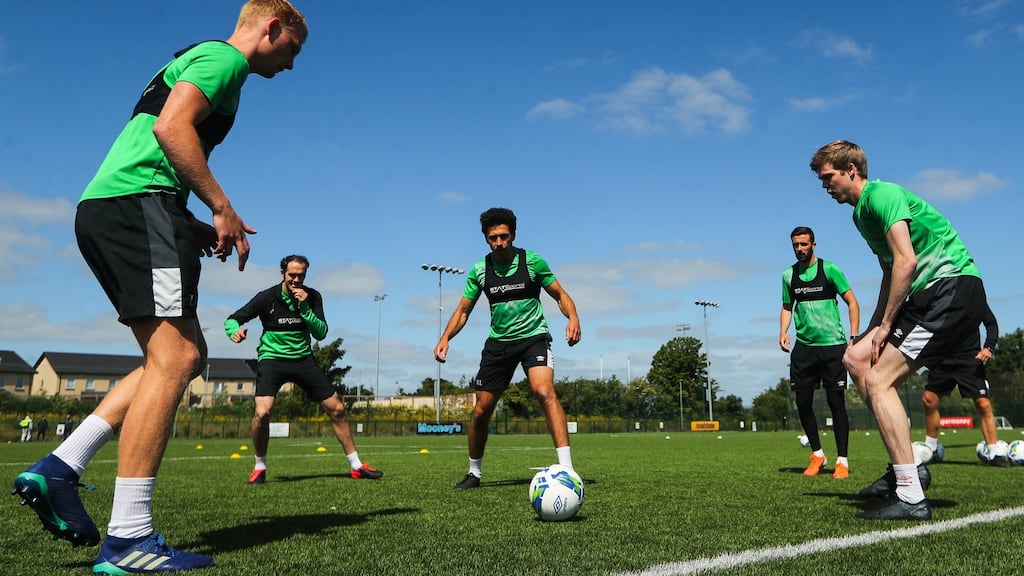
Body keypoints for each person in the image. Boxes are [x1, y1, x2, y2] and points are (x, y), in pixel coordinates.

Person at [12, 2, 307, 572]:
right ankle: (128, 540)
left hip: (126, 207)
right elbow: (170, 130)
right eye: (292, 49)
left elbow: (155, 142)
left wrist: (187, 222)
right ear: (272, 28)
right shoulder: (225, 61)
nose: (292, 65)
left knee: (180, 357)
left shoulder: (195, 57)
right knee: (177, 359)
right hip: (138, 206)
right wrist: (219, 207)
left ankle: (60, 467)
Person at [810, 140, 988, 521]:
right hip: (924, 296)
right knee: (855, 358)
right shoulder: (860, 215)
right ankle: (908, 468)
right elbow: (890, 270)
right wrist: (874, 329)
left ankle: (910, 495)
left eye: (828, 177)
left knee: (878, 381)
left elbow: (906, 262)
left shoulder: (883, 195)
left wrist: (887, 324)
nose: (824, 186)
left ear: (851, 170)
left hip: (951, 288)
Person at [433, 207, 582, 490]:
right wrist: (445, 338)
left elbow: (560, 295)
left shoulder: (533, 262)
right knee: (480, 412)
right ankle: (474, 473)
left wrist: (573, 317)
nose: (499, 242)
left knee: (543, 391)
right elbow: (463, 311)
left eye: (503, 236)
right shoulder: (480, 270)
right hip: (498, 344)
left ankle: (568, 469)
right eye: (493, 238)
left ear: (513, 235)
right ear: (486, 239)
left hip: (533, 337)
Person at [225, 254, 383, 484]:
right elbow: (232, 319)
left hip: (303, 359)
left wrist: (305, 307)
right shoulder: (266, 298)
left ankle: (356, 465)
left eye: (301, 275)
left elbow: (320, 333)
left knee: (337, 408)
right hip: (272, 359)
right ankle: (259, 467)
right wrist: (234, 332)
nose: (296, 280)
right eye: (292, 275)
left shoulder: (313, 296)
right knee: (262, 412)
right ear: (282, 274)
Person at [779, 226, 860, 479]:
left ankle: (842, 461)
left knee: (836, 403)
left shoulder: (830, 270)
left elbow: (852, 302)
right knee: (802, 403)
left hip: (833, 347)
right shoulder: (788, 275)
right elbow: (786, 306)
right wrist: (783, 331)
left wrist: (853, 337)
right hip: (804, 349)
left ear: (814, 244)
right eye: (795, 245)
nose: (799, 249)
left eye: (804, 244)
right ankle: (817, 454)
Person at [921, 305, 1010, 466]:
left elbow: (991, 323)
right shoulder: (941, 297)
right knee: (929, 400)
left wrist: (989, 347)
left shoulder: (974, 298)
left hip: (969, 359)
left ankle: (993, 453)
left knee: (983, 404)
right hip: (942, 359)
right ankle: (931, 449)